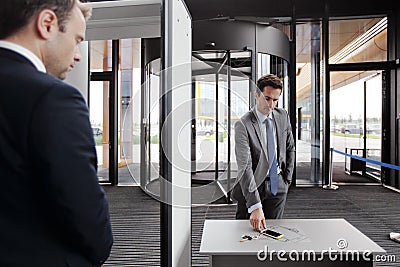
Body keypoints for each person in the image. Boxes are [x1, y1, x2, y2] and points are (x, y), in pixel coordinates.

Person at [0, 1, 113, 266]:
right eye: (76, 40)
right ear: (47, 24)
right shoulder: (52, 98)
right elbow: (86, 216)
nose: (78, 55)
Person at [233, 74, 295, 232]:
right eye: (267, 98)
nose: (271, 105)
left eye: (275, 100)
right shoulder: (243, 124)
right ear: (256, 94)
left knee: (274, 234)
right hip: (252, 186)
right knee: (245, 236)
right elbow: (245, 167)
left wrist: (286, 180)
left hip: (278, 185)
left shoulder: (283, 116)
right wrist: (254, 205)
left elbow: (290, 148)